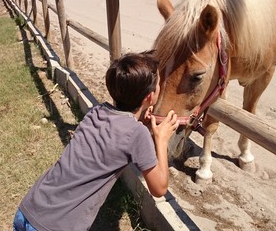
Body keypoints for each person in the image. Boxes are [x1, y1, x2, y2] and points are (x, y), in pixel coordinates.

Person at [13, 51, 179, 231]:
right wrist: (161, 139)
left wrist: (138, 118)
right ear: (150, 97)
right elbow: (159, 188)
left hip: (28, 209)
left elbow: (117, 131)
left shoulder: (97, 111)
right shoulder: (137, 134)